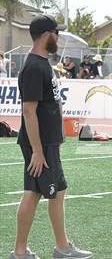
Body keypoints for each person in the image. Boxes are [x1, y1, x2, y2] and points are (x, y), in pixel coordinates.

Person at [10, 15, 91, 259]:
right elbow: (28, 111)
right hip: (41, 145)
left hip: (46, 143)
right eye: (57, 32)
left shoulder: (42, 63)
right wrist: (37, 150)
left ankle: (59, 245)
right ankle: (28, 251)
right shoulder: (34, 66)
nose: (58, 37)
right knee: (35, 193)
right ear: (47, 34)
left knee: (56, 190)